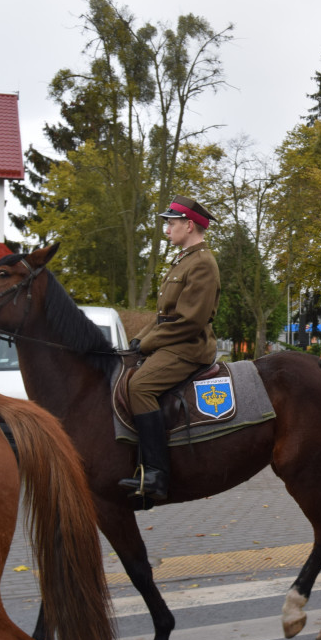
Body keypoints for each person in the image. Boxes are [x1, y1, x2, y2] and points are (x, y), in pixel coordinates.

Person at [118, 195, 222, 501]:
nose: (167, 230)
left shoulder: (203, 264)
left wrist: (149, 342)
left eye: (172, 224)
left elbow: (189, 321)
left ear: (189, 226)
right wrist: (138, 340)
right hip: (173, 342)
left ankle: (155, 474)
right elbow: (164, 315)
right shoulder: (184, 260)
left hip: (189, 348)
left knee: (140, 387)